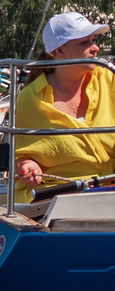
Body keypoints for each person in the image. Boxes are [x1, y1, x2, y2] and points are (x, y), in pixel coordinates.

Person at [13, 11, 115, 201]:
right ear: (59, 51)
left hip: (110, 190)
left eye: (94, 40)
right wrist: (27, 165)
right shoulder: (30, 99)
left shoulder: (109, 79)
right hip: (54, 197)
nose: (96, 48)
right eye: (85, 43)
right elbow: (18, 156)